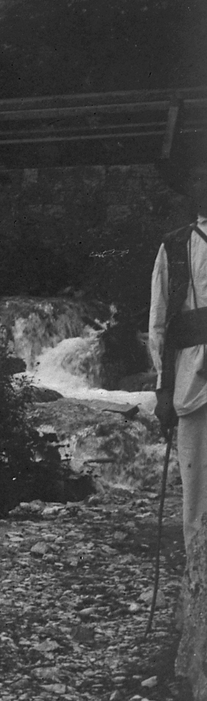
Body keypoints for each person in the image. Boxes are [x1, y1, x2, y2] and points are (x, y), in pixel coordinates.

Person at [150, 154, 207, 558]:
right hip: (192, 380)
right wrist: (161, 391)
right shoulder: (175, 246)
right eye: (199, 178)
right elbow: (159, 324)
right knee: (197, 488)